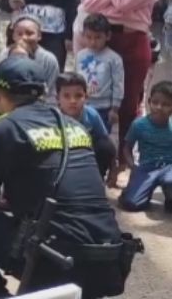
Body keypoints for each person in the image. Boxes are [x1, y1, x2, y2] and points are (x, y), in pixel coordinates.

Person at [0, 56, 127, 299]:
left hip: (54, 261)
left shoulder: (1, 129)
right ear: (44, 92)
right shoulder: (75, 126)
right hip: (109, 259)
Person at [78, 0, 160, 171]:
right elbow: (89, 3)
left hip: (133, 40)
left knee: (128, 102)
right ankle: (95, 152)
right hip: (101, 38)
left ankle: (124, 158)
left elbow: (124, 3)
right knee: (94, 95)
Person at [118, 80, 172, 212]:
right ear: (149, 102)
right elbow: (127, 147)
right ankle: (138, 191)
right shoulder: (139, 125)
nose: (159, 107)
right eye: (155, 102)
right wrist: (133, 166)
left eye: (166, 104)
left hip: (169, 167)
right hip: (146, 168)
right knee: (131, 204)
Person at [57, 73, 116, 182]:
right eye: (66, 96)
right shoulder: (52, 118)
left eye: (78, 96)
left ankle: (97, 180)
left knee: (104, 146)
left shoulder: (91, 115)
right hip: (61, 156)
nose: (73, 101)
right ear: (58, 99)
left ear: (86, 97)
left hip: (85, 155)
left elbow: (107, 143)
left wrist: (113, 171)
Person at [76, 14, 124, 131]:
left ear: (107, 36)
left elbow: (118, 84)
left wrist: (115, 109)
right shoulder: (80, 55)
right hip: (83, 105)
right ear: (83, 36)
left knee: (101, 138)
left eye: (98, 37)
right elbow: (76, 78)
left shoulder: (114, 58)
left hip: (104, 108)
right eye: (89, 37)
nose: (93, 42)